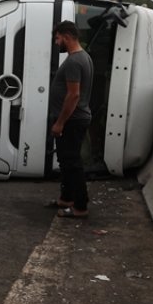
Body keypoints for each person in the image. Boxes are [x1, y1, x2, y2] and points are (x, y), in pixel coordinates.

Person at [48, 20, 95, 218]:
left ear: (66, 36)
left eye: (58, 38)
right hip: (75, 119)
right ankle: (66, 198)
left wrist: (60, 122)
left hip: (72, 120)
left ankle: (80, 206)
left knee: (72, 162)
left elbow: (73, 95)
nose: (57, 42)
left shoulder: (75, 61)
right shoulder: (84, 57)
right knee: (66, 160)